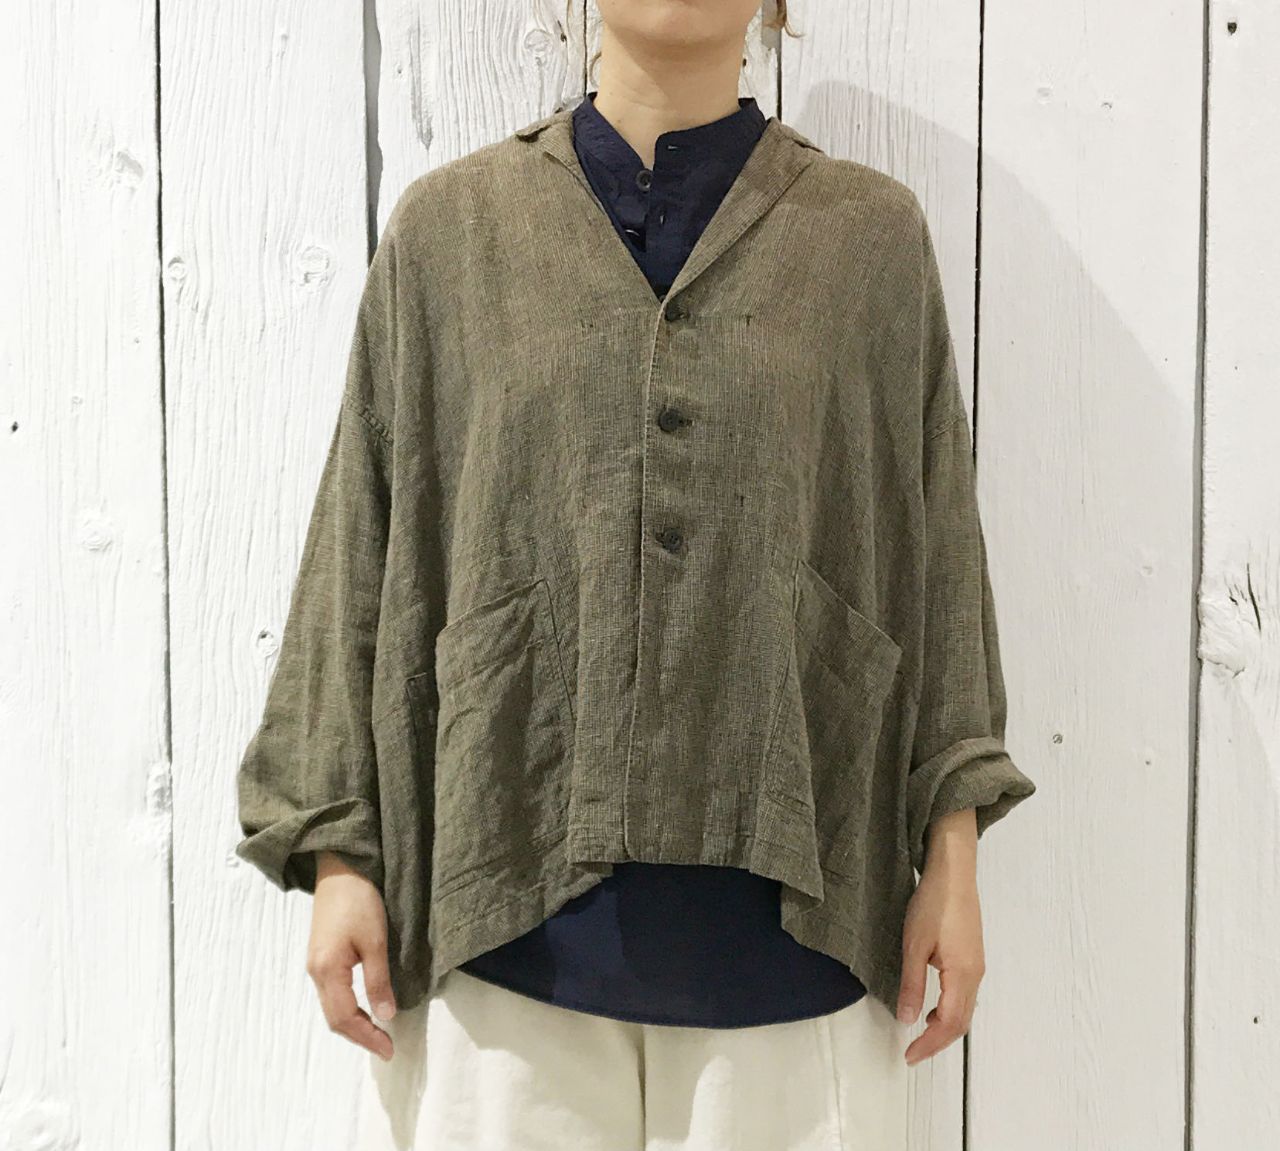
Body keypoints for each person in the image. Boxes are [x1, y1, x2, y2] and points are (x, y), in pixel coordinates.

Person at [235, 2, 1037, 1147]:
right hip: (501, 930)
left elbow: (932, 556)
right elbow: (364, 542)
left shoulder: (867, 243)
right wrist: (337, 853)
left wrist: (950, 854)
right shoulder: (450, 235)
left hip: (797, 949)